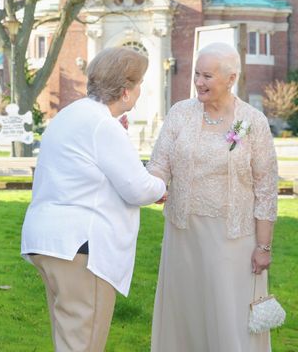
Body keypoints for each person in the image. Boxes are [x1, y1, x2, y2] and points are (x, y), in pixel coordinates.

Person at [20, 47, 166, 352]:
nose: (140, 91)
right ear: (125, 91)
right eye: (139, 84)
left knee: (69, 340)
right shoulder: (103, 125)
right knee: (84, 344)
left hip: (47, 240)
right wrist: (162, 185)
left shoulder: (72, 113)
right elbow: (138, 188)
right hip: (81, 246)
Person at [149, 43, 278, 352]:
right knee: (186, 313)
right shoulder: (180, 113)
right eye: (196, 74)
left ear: (230, 78)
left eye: (207, 75)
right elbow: (158, 165)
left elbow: (266, 189)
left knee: (229, 316)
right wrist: (147, 187)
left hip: (231, 238)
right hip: (183, 234)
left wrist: (263, 246)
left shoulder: (253, 121)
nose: (199, 82)